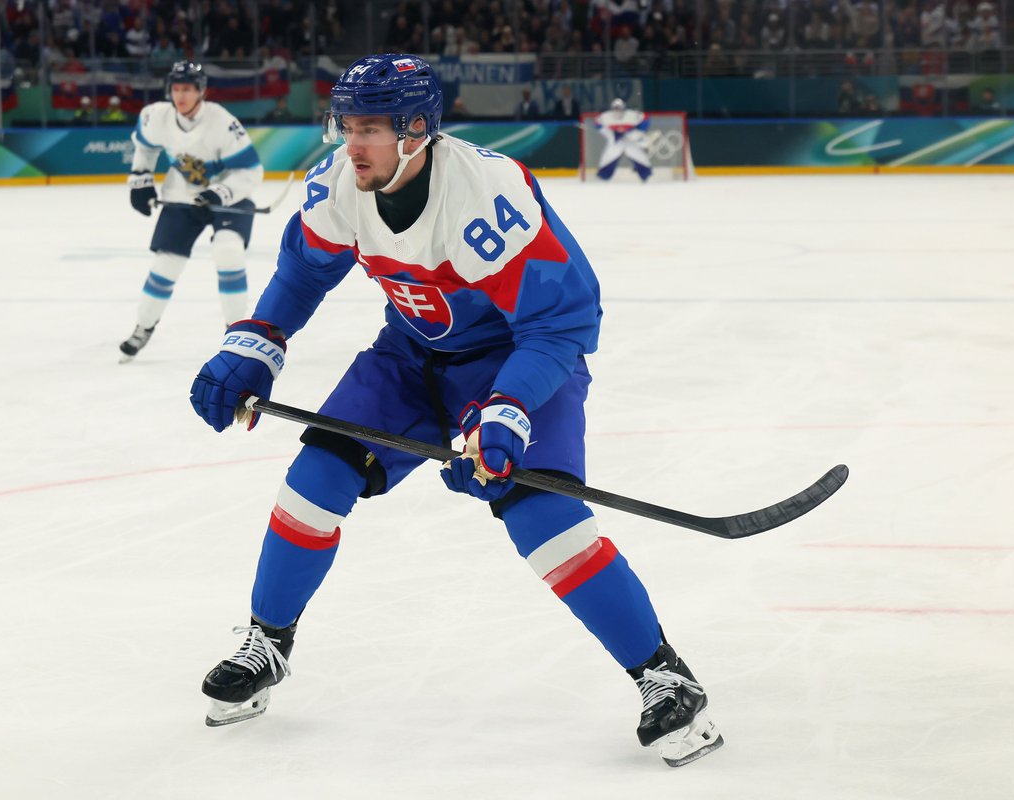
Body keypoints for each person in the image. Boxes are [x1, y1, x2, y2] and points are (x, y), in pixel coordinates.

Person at [187, 53, 724, 768]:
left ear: (416, 130)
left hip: (518, 359)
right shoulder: (343, 182)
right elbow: (304, 272)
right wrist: (259, 344)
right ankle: (267, 643)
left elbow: (563, 320)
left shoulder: (484, 195)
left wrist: (507, 408)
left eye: (371, 128)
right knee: (317, 474)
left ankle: (663, 673)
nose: (353, 144)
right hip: (411, 356)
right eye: (347, 126)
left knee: (541, 514)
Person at [120, 60, 265, 361]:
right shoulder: (155, 117)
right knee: (165, 263)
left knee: (228, 250)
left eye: (187, 89)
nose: (181, 96)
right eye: (176, 89)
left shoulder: (223, 122)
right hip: (182, 194)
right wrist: (141, 181)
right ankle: (143, 327)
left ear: (201, 92)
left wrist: (219, 192)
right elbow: (145, 147)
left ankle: (236, 332)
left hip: (229, 196)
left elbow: (251, 171)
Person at [592, 98, 653, 183]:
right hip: (616, 142)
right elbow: (597, 122)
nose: (617, 110)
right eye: (615, 108)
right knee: (607, 158)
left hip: (629, 141)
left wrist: (636, 133)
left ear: (623, 108)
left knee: (640, 157)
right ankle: (603, 177)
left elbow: (645, 119)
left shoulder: (631, 115)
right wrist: (610, 134)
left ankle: (647, 176)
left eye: (619, 108)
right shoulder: (607, 116)